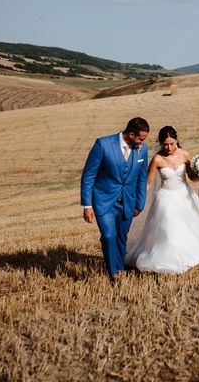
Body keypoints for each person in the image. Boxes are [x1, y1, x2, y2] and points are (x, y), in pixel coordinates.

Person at [125, 126, 199, 274]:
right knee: (169, 229)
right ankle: (167, 259)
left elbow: (192, 177)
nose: (169, 147)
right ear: (160, 143)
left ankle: (192, 254)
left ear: (177, 140)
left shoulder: (185, 155)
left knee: (190, 227)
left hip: (185, 195)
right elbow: (147, 182)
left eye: (172, 143)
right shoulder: (157, 159)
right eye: (165, 144)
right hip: (165, 199)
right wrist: (137, 200)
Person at [81, 117, 150, 281]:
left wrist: (140, 203)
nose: (142, 143)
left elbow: (141, 178)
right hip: (104, 201)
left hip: (128, 201)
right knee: (108, 236)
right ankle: (113, 273)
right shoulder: (103, 145)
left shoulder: (143, 150)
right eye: (140, 139)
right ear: (131, 135)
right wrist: (87, 205)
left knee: (121, 237)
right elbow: (89, 175)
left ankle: (120, 267)